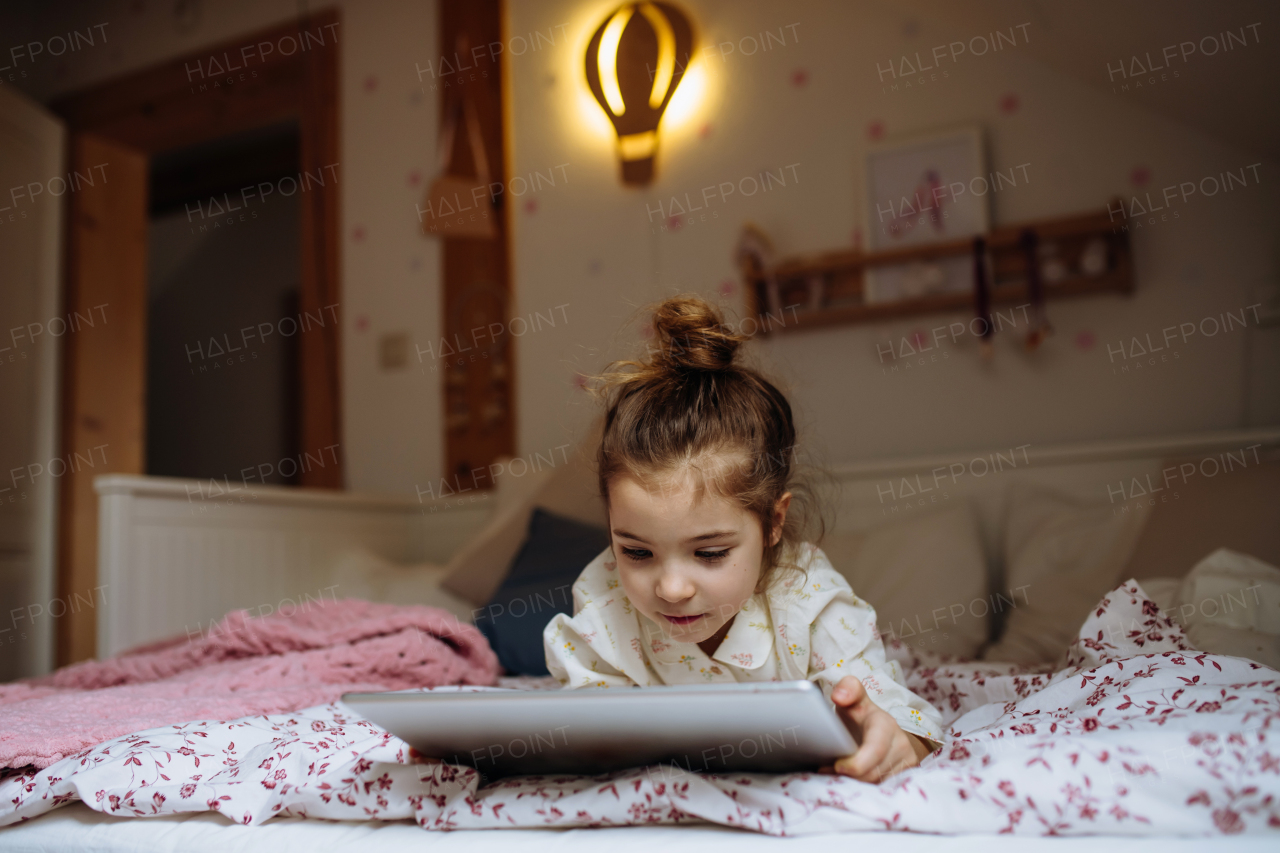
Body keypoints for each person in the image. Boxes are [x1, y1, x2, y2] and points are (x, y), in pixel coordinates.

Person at [543, 295, 943, 782]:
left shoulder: (807, 602)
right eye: (636, 551)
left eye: (709, 553)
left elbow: (898, 713)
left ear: (774, 523)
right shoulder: (603, 599)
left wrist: (893, 740)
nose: (671, 588)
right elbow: (584, 721)